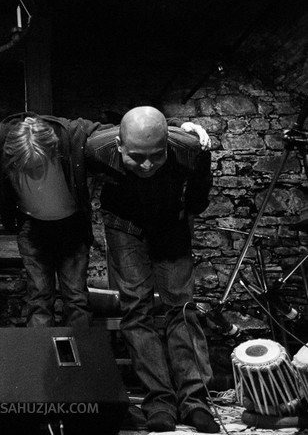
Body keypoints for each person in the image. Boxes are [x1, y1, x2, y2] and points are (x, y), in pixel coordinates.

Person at [0, 113, 209, 330]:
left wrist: (180, 125)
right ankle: (41, 364)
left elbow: (133, 129)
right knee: (38, 298)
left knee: (76, 299)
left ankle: (80, 368)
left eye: (38, 166)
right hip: (32, 228)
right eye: (24, 168)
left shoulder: (74, 136)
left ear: (53, 150)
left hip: (71, 226)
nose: (33, 175)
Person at [84, 106, 218, 433]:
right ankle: (159, 402)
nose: (147, 165)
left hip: (170, 222)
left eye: (156, 157)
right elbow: (81, 130)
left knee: (181, 307)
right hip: (122, 224)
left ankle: (195, 401)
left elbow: (198, 200)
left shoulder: (189, 148)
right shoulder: (96, 148)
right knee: (136, 308)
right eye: (136, 157)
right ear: (118, 146)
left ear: (168, 147)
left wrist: (180, 126)